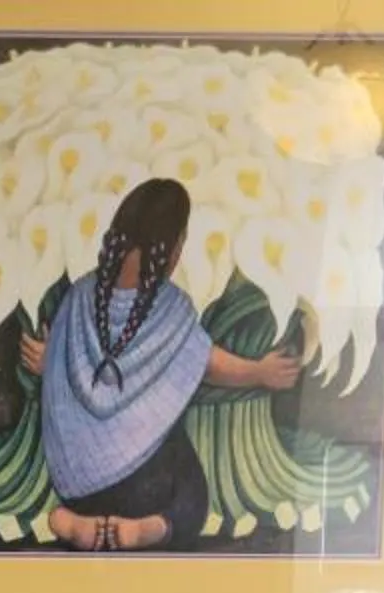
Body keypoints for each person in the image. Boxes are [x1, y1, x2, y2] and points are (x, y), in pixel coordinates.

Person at [19, 178, 302, 551]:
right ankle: (142, 529)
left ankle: (70, 521)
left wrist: (48, 366)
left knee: (99, 485)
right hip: (147, 488)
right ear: (170, 250)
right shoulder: (172, 306)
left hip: (79, 484)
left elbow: (61, 364)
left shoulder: (80, 294)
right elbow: (208, 363)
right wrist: (259, 372)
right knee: (192, 497)